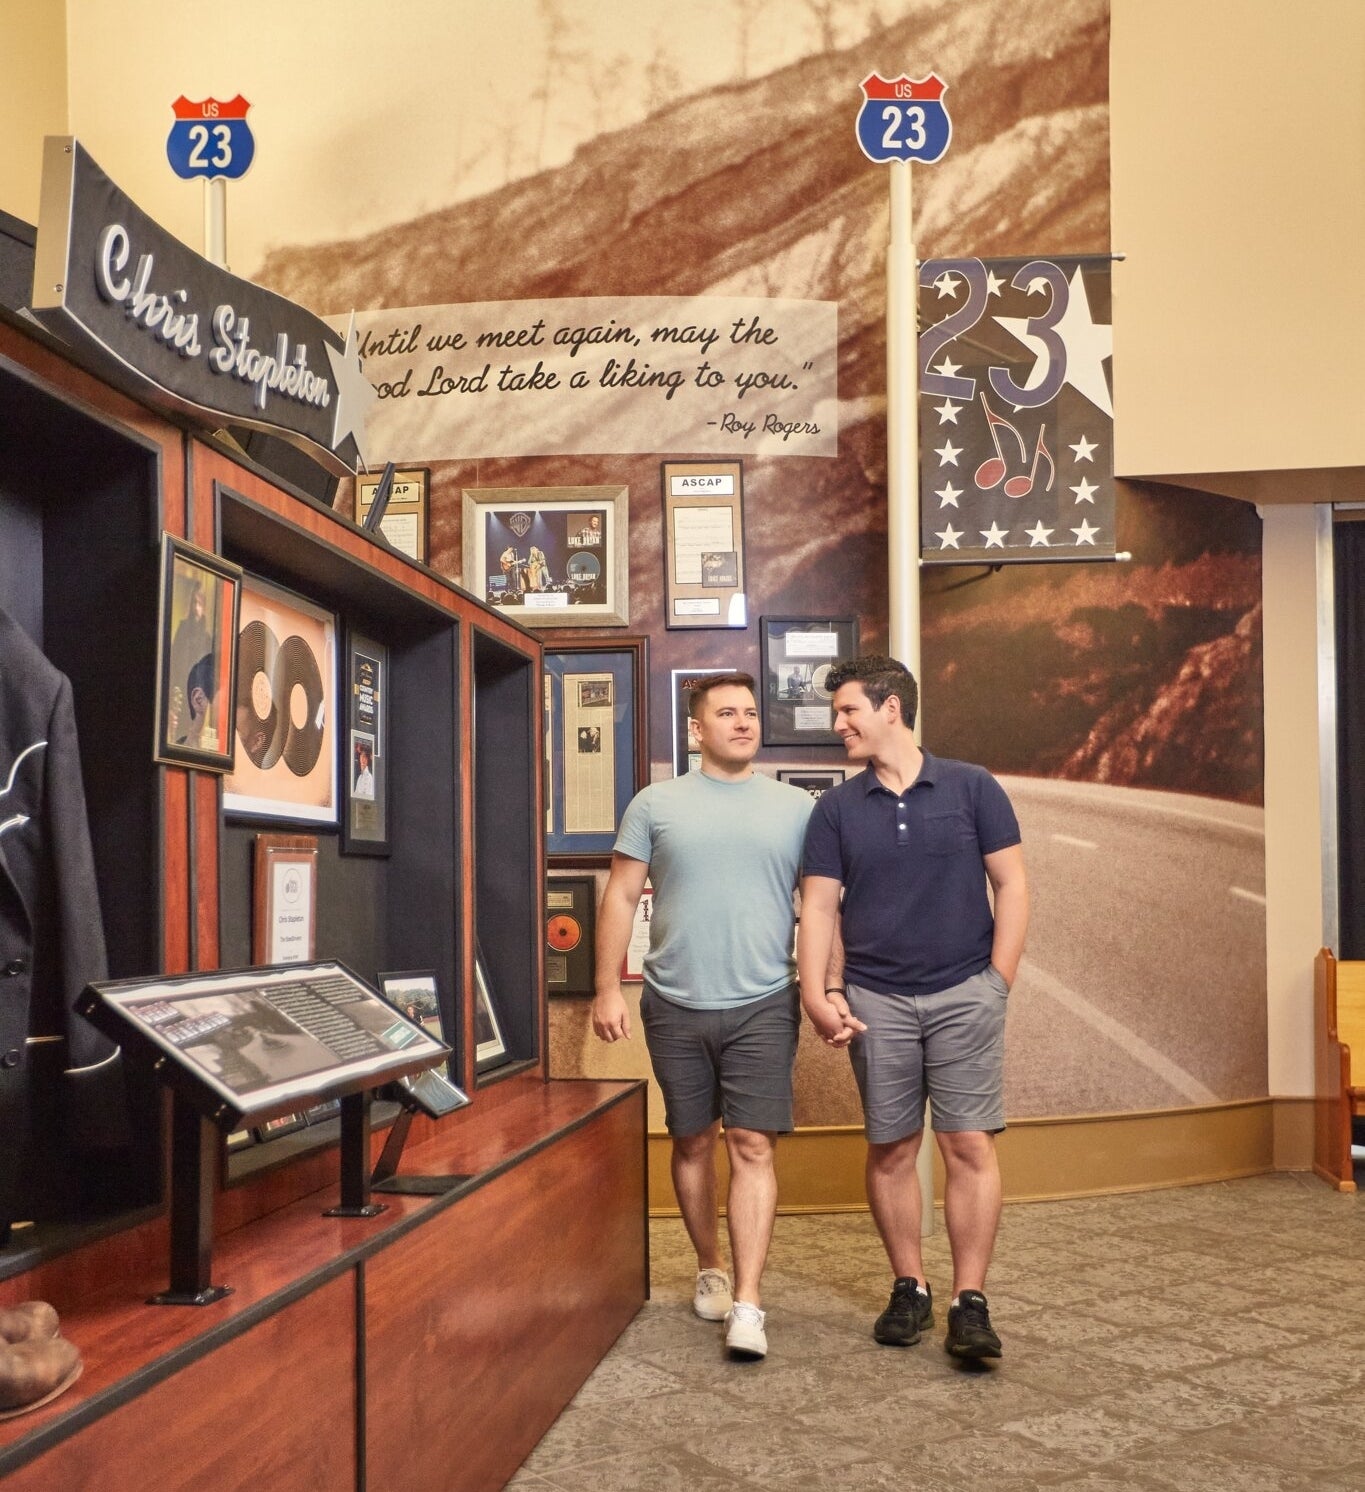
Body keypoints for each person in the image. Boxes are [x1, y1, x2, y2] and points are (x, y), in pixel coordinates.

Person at [797, 655, 1028, 1361]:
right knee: (893, 1147)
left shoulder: (971, 786)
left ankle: (969, 1301)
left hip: (965, 993)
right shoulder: (835, 809)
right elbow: (819, 907)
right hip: (875, 998)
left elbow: (1012, 885)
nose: (838, 724)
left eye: (848, 710)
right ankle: (910, 1288)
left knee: (967, 1145)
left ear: (890, 706)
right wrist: (817, 992)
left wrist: (996, 983)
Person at [592, 673, 817, 1360]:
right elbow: (621, 895)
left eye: (750, 712)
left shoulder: (797, 807)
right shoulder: (654, 804)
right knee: (692, 1140)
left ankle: (748, 1302)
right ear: (696, 730)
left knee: (751, 1145)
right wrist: (605, 987)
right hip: (674, 1002)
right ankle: (710, 1267)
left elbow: (820, 905)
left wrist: (824, 985)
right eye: (726, 713)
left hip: (765, 1000)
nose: (743, 723)